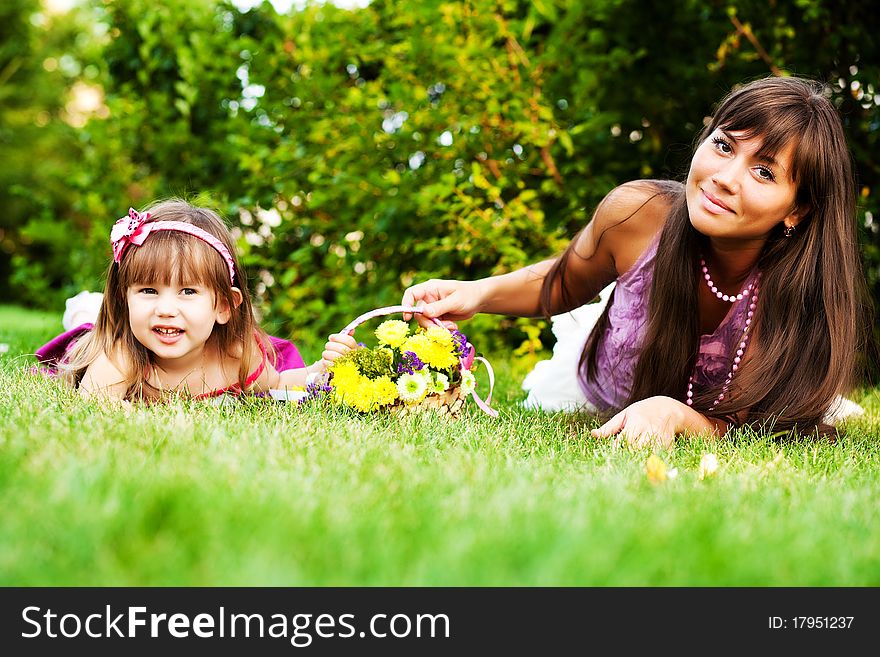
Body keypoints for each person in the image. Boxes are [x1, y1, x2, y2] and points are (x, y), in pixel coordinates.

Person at [402, 75, 872, 447]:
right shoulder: (636, 215)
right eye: (724, 146)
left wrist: (679, 417)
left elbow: (762, 428)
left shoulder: (799, 294)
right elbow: (565, 280)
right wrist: (475, 292)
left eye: (764, 171)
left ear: (797, 208)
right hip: (600, 391)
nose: (725, 178)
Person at [35, 199, 357, 403]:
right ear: (125, 298)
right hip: (98, 337)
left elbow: (281, 382)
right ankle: (85, 306)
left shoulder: (236, 356)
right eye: (148, 290)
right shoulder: (124, 354)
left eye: (188, 292)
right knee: (86, 325)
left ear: (223, 307)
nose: (166, 309)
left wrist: (323, 369)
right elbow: (97, 404)